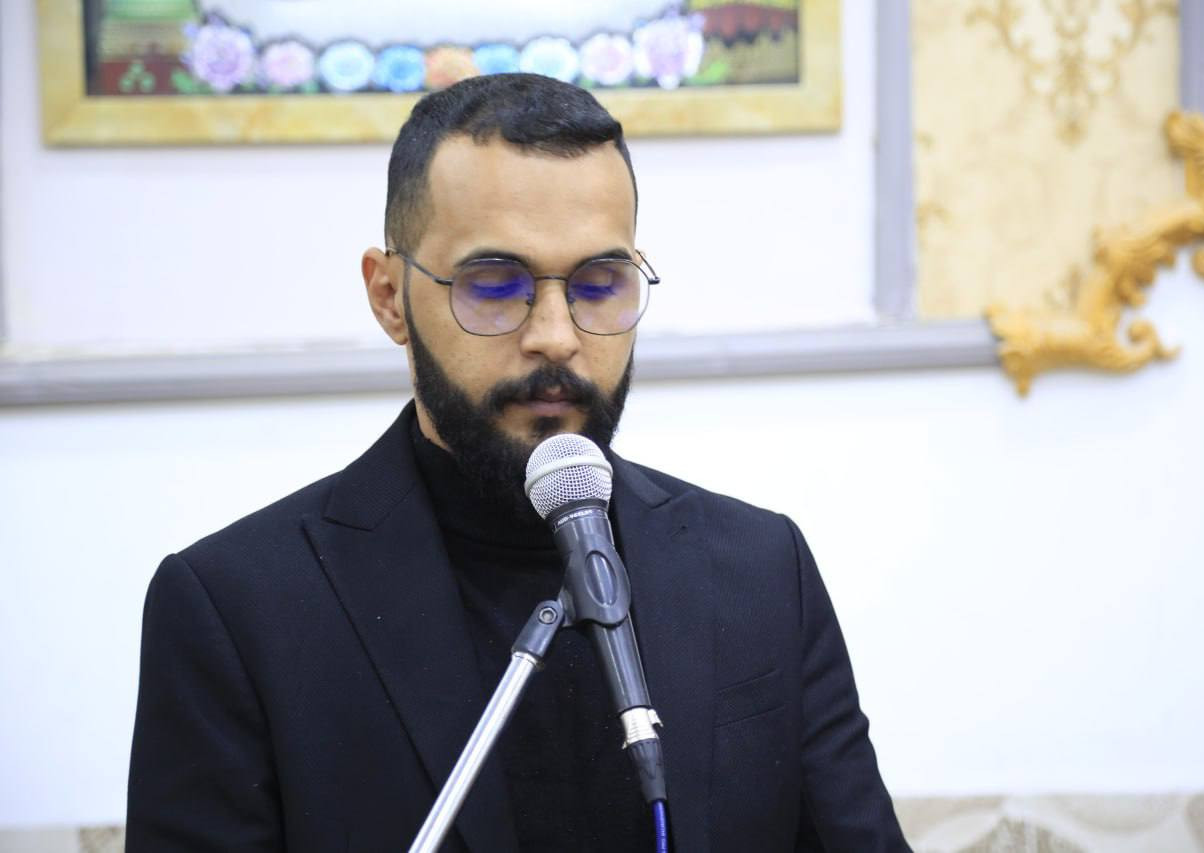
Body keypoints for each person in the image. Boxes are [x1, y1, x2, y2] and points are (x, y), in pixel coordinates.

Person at [126, 73, 910, 852]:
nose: (556, 337)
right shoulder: (238, 609)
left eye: (599, 284)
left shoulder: (760, 570)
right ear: (390, 296)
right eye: (496, 285)